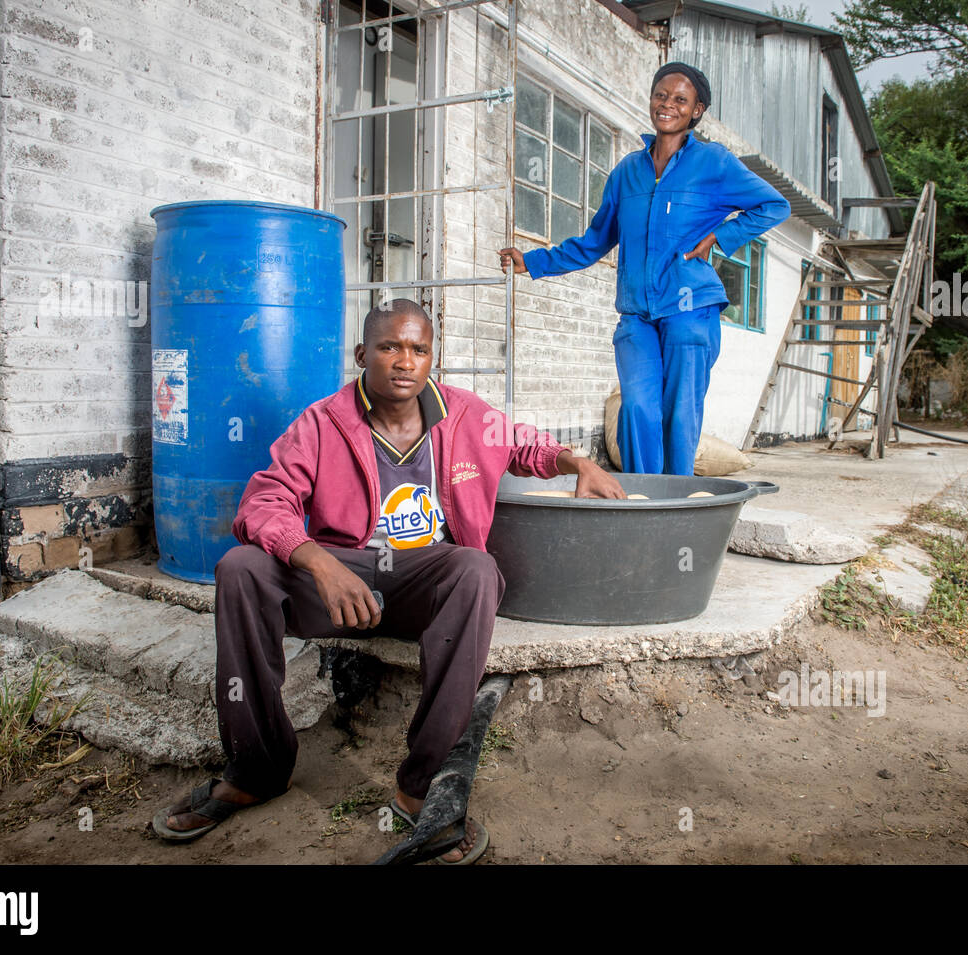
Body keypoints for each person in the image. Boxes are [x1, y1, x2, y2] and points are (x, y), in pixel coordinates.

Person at [153, 298, 625, 864]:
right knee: (241, 567)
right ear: (362, 356)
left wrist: (580, 463)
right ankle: (256, 769)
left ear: (432, 360)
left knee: (475, 569)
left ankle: (422, 784)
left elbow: (527, 444)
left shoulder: (467, 414)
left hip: (422, 583)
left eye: (418, 349)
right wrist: (318, 562)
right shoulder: (322, 423)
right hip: (344, 583)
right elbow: (264, 502)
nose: (404, 361)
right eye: (390, 347)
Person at [500, 62, 791, 476]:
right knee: (637, 409)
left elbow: (774, 205)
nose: (667, 104)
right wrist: (532, 261)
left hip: (689, 310)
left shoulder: (714, 163)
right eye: (661, 95)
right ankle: (644, 500)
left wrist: (719, 238)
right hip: (636, 315)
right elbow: (596, 240)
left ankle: (677, 505)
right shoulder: (626, 173)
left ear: (697, 111)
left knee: (680, 414)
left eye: (680, 99)